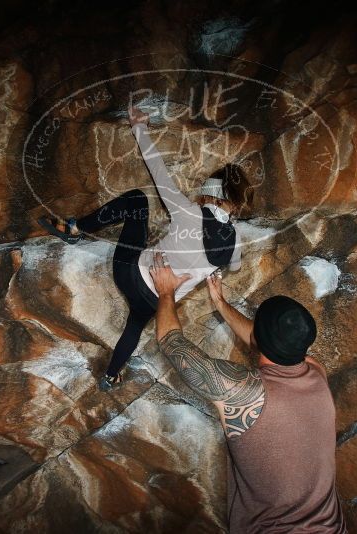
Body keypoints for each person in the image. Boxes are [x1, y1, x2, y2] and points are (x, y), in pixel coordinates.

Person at [39, 106, 248, 390]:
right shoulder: (234, 242)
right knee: (135, 326)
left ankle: (77, 230)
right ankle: (111, 376)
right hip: (157, 302)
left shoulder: (190, 213)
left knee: (137, 200)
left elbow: (158, 171)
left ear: (211, 194)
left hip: (129, 272)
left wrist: (139, 126)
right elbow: (234, 265)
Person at [147, 252, 347, 533]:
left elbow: (172, 345)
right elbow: (264, 340)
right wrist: (220, 303)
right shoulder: (316, 372)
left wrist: (166, 291)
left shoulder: (246, 392)